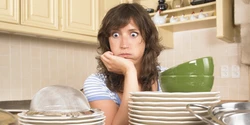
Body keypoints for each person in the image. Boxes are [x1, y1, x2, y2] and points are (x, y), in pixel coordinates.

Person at [83, 3, 165, 125]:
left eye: (133, 34)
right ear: (107, 41)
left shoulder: (166, 77)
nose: (124, 44)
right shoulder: (96, 83)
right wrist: (129, 70)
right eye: (115, 35)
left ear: (147, 38)